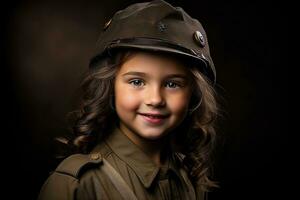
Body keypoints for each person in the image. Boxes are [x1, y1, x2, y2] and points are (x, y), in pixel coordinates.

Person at [38, 0, 220, 199]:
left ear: (193, 95)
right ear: (111, 86)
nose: (155, 99)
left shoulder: (188, 177)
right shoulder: (78, 183)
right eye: (136, 81)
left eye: (172, 84)